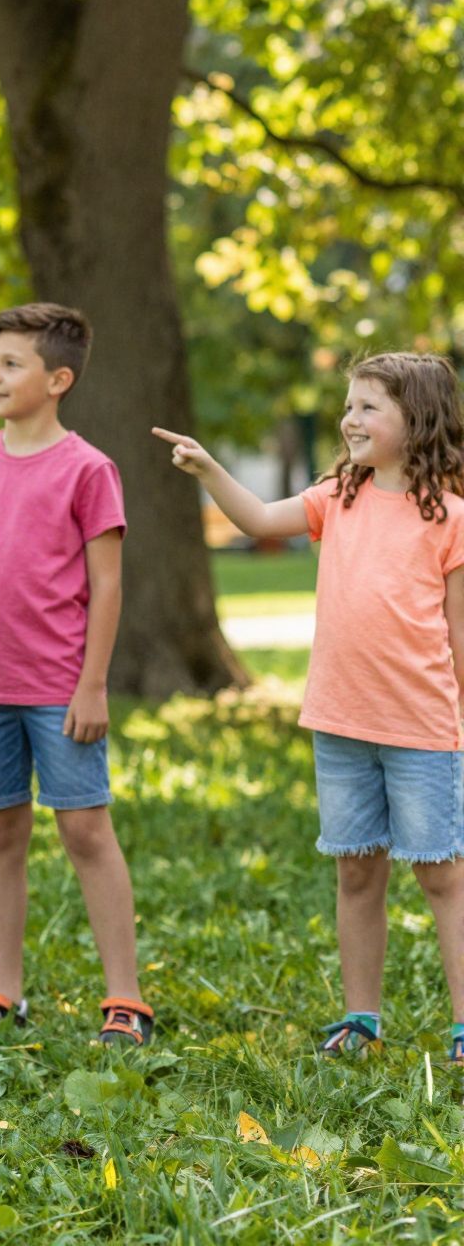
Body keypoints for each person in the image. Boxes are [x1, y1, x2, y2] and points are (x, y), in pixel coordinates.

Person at [155, 352, 464, 1059]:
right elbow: (261, 518)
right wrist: (209, 470)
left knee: (443, 875)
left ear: (416, 420)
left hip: (422, 727)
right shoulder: (338, 496)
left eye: (368, 407)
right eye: (348, 405)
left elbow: (459, 634)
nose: (349, 419)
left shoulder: (452, 519)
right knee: (356, 870)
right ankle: (361, 1020)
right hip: (341, 722)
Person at [0, 304, 150, 1046]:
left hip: (60, 686)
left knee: (85, 830)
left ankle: (126, 1000)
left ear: (58, 380)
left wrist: (92, 684)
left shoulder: (88, 469)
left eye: (10, 363)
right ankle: (2, 993)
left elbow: (108, 586)